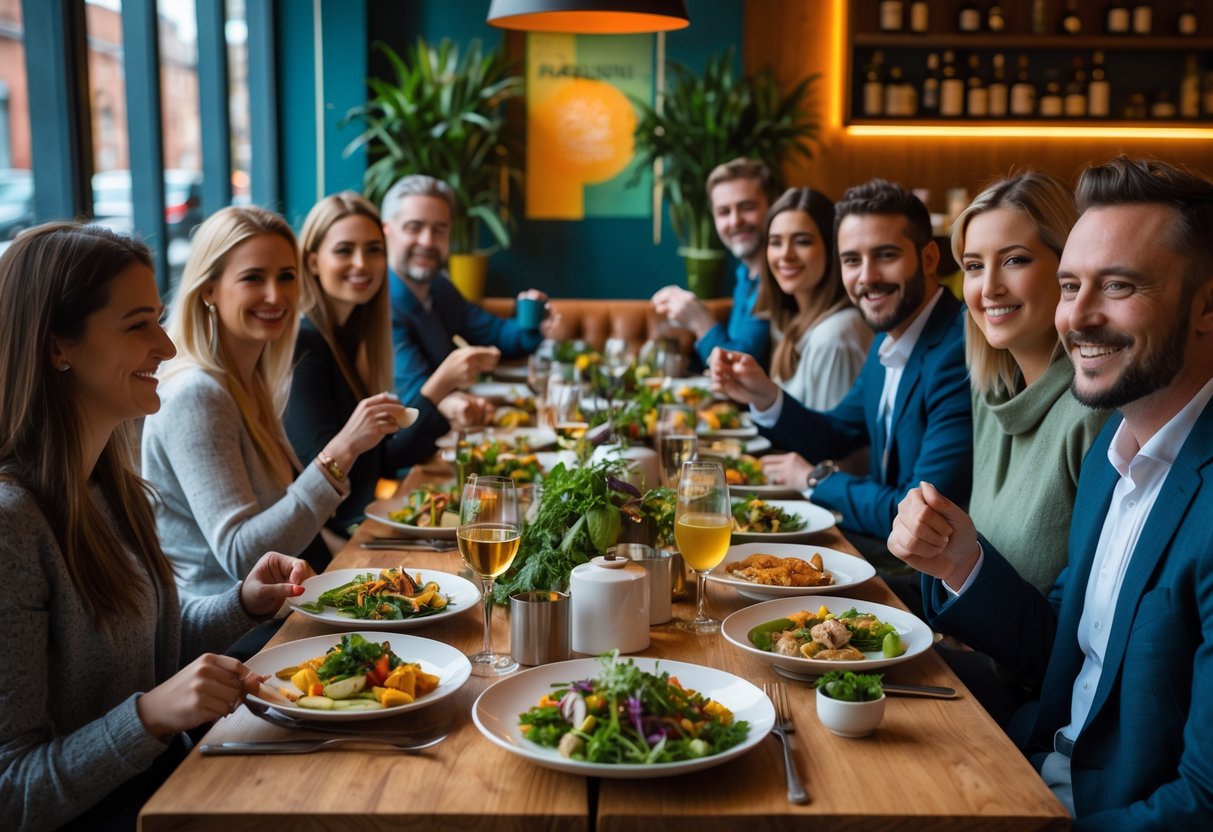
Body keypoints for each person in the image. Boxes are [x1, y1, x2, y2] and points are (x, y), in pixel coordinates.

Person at [888, 156, 1213, 826]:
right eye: (1071, 285)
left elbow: (1200, 803)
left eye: (1117, 286)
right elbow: (1061, 651)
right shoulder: (1112, 459)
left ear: (1206, 305)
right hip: (1028, 763)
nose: (1079, 317)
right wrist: (957, 564)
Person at [0, 222, 311, 830]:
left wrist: (244, 602)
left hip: (171, 786)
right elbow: (14, 793)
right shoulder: (11, 525)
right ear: (56, 346)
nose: (167, 348)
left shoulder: (110, 485)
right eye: (138, 324)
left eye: (160, 320)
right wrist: (146, 717)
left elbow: (152, 642)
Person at [142, 206, 403, 596]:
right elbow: (243, 557)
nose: (275, 295)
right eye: (253, 278)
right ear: (209, 288)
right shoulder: (197, 393)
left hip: (278, 609)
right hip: (226, 632)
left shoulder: (253, 379)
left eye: (286, 277)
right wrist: (342, 451)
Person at [711, 178, 971, 545]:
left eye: (886, 255)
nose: (867, 278)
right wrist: (766, 397)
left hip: (917, 582)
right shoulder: (889, 332)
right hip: (874, 544)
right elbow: (836, 434)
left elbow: (919, 517)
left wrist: (815, 479)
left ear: (928, 259)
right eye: (852, 260)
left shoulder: (955, 352)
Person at [285, 192, 498, 532]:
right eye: (344, 250)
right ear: (312, 262)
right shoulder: (305, 346)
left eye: (373, 250)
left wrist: (439, 397)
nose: (361, 263)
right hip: (324, 544)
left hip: (360, 526)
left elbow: (384, 459)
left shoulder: (356, 336)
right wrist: (440, 385)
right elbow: (330, 485)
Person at [954, 172, 1110, 596]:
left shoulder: (1096, 412)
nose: (988, 288)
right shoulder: (989, 396)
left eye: (1014, 260)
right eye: (973, 266)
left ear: (1069, 269)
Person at [383, 174, 549, 406]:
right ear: (386, 231)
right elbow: (414, 400)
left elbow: (498, 335)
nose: (428, 241)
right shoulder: (382, 307)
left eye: (440, 229)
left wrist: (531, 318)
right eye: (414, 227)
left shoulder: (440, 288)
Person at [740, 187, 870, 412]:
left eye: (802, 241)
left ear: (832, 250)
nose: (785, 255)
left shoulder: (834, 335)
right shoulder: (791, 320)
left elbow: (829, 442)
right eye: (775, 242)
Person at [651, 157, 774, 371]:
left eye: (746, 207)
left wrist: (700, 319)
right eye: (724, 212)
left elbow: (738, 368)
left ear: (771, 206)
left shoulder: (779, 278)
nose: (735, 221)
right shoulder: (745, 275)